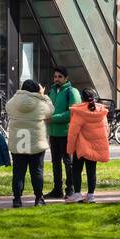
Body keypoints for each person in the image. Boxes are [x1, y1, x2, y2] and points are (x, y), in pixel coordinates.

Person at [6, 79, 55, 208]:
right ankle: (39, 198)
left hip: (18, 142)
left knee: (18, 172)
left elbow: (7, 108)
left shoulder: (12, 102)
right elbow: (51, 110)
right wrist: (43, 95)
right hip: (36, 142)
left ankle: (17, 199)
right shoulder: (40, 103)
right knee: (37, 171)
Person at [66, 89, 110, 203]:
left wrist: (70, 148)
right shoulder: (101, 111)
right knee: (92, 171)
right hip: (94, 146)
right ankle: (90, 195)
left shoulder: (79, 111)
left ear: (82, 98)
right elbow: (106, 129)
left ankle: (77, 193)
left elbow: (72, 132)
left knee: (76, 170)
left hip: (81, 147)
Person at [44, 68, 80, 199]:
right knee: (55, 162)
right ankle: (57, 189)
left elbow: (73, 113)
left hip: (66, 133)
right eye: (55, 76)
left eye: (59, 76)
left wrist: (53, 118)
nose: (56, 79)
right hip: (53, 133)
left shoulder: (72, 92)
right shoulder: (52, 91)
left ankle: (70, 189)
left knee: (68, 162)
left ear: (66, 78)